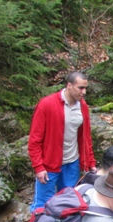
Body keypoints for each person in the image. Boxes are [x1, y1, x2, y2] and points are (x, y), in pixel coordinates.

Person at [28, 72, 96, 212]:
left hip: (72, 163)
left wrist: (90, 162)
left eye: (85, 88)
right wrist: (38, 167)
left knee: (69, 203)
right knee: (43, 205)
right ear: (69, 85)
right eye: (80, 88)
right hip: (49, 164)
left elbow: (85, 138)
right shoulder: (46, 104)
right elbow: (35, 140)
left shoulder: (82, 106)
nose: (84, 92)